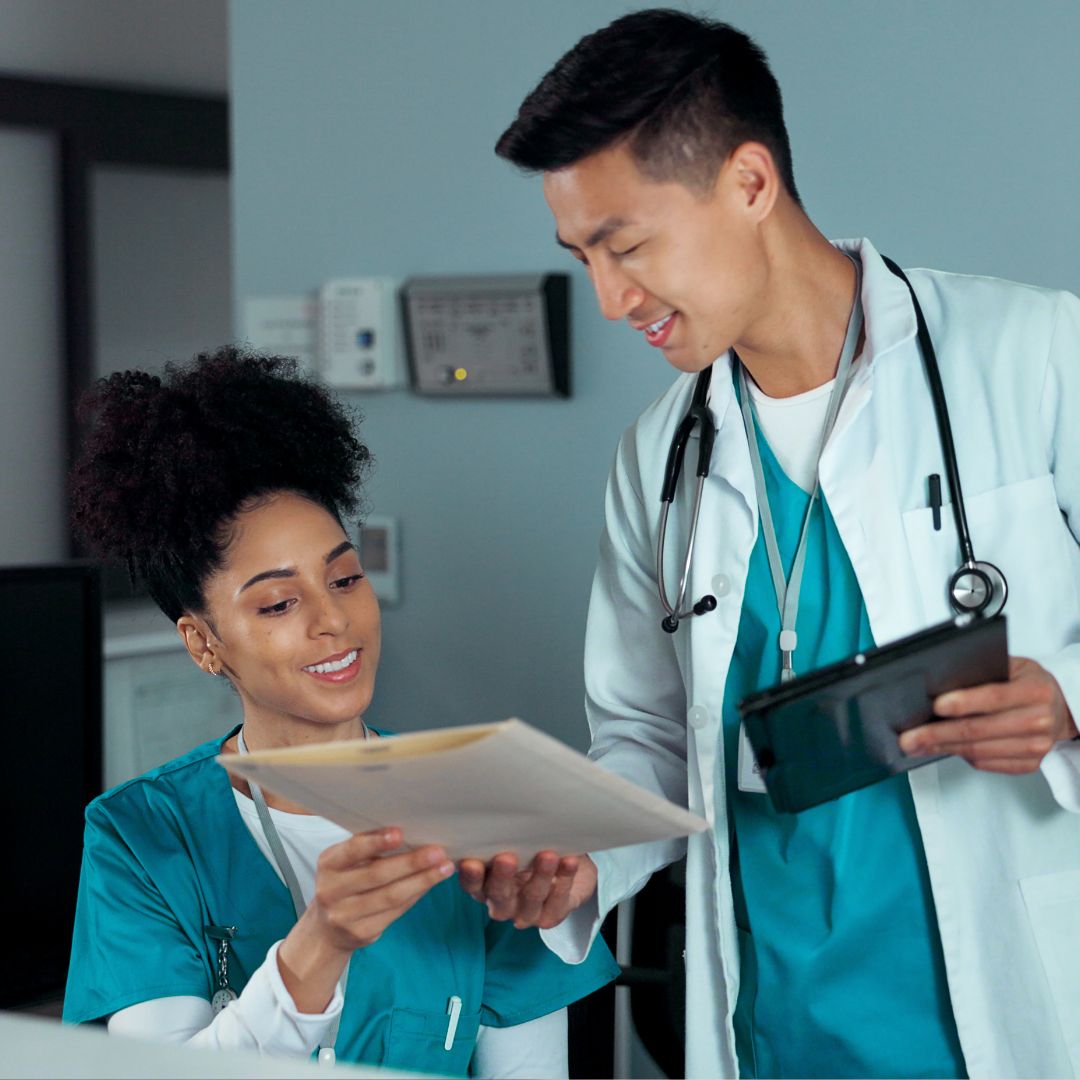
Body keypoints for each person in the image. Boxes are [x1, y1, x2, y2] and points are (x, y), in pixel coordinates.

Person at [459, 9, 1080, 1078]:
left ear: (749, 184)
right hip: (777, 1025)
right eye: (582, 257)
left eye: (627, 246)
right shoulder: (658, 456)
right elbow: (647, 744)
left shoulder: (1038, 356)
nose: (610, 301)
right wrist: (581, 868)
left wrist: (1068, 698)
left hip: (1014, 1013)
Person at [62, 347, 617, 1077]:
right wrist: (319, 944)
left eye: (345, 577)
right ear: (203, 643)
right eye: (278, 602)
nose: (334, 621)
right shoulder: (142, 839)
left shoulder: (481, 813)